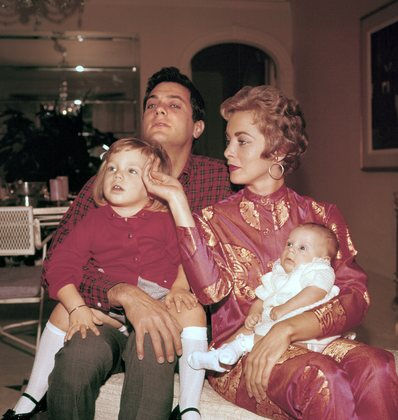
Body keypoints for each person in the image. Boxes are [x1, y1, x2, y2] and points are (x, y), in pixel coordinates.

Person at [142, 85, 398, 418]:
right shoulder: (211, 220)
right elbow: (209, 293)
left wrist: (286, 329)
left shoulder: (321, 216)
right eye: (229, 141)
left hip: (311, 337)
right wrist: (178, 203)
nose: (229, 152)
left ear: (278, 150)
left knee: (379, 365)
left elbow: (356, 296)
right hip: (239, 352)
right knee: (322, 378)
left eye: (242, 141)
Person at [2, 67, 232, 420]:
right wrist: (119, 293)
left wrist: (167, 298)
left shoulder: (221, 181)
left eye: (173, 106)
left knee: (153, 349)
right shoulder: (108, 183)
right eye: (151, 105)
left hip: (176, 320)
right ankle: (36, 400)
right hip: (103, 314)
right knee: (76, 361)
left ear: (197, 127)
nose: (158, 110)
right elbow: (60, 261)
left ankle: (187, 407)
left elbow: (218, 263)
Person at [188, 223, 341, 372]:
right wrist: (254, 313)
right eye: (289, 244)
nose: (291, 250)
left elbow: (315, 292)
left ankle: (233, 350)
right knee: (251, 331)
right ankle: (217, 355)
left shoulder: (320, 269)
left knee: (261, 337)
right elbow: (262, 299)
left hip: (306, 331)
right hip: (276, 323)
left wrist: (284, 308)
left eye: (302, 248)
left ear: (323, 259)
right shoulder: (279, 274)